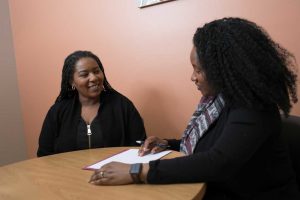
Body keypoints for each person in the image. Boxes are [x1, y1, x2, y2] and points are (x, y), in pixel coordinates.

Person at [89, 18, 300, 199]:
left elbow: (219, 161)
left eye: (198, 70)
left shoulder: (253, 106)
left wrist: (137, 171)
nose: (193, 77)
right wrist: (169, 144)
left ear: (223, 70)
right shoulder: (217, 102)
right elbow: (211, 145)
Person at [37, 51, 146, 157]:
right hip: (67, 174)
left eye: (96, 71)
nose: (94, 78)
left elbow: (139, 147)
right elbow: (44, 154)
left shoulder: (123, 106)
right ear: (72, 81)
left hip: (112, 174)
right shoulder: (58, 111)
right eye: (84, 75)